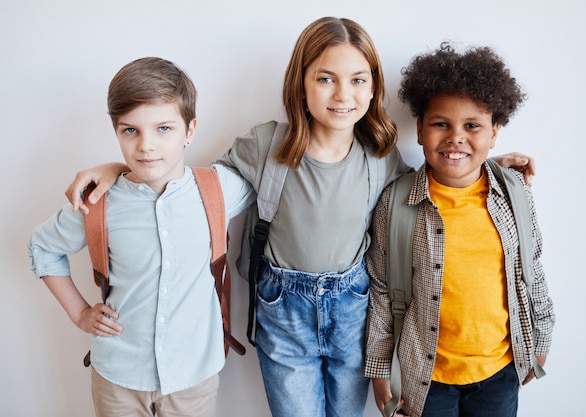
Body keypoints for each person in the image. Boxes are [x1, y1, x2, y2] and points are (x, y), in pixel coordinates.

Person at [62, 19, 535, 417]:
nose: (342, 94)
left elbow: (438, 177)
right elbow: (187, 186)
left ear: (373, 89)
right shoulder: (267, 146)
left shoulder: (380, 157)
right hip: (282, 314)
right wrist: (120, 169)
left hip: (353, 312)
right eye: (325, 78)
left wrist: (491, 165)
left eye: (357, 79)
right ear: (301, 83)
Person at [27, 57, 254, 417]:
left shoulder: (218, 188)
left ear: (189, 130)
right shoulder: (98, 202)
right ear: (116, 131)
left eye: (164, 128)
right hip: (118, 377)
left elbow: (271, 174)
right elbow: (41, 247)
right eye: (130, 130)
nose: (146, 145)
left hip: (193, 377)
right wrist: (80, 313)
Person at [364, 43, 555, 417]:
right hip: (425, 378)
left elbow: (532, 270)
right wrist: (379, 369)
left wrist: (541, 338)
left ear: (494, 132)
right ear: (419, 129)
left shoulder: (515, 196)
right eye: (441, 124)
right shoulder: (396, 204)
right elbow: (382, 291)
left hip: (500, 369)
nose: (456, 137)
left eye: (472, 126)